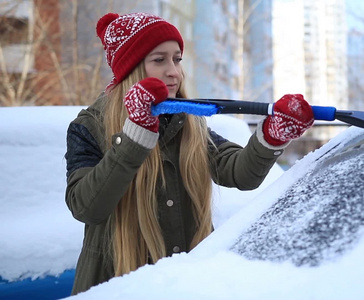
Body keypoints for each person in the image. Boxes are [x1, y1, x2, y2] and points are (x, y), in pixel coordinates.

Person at [64, 12, 314, 295]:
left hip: (188, 286)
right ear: (131, 70)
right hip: (116, 285)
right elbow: (86, 207)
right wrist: (134, 136)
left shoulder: (188, 120)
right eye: (159, 60)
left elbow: (238, 172)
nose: (174, 71)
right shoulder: (89, 127)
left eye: (177, 59)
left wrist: (271, 136)